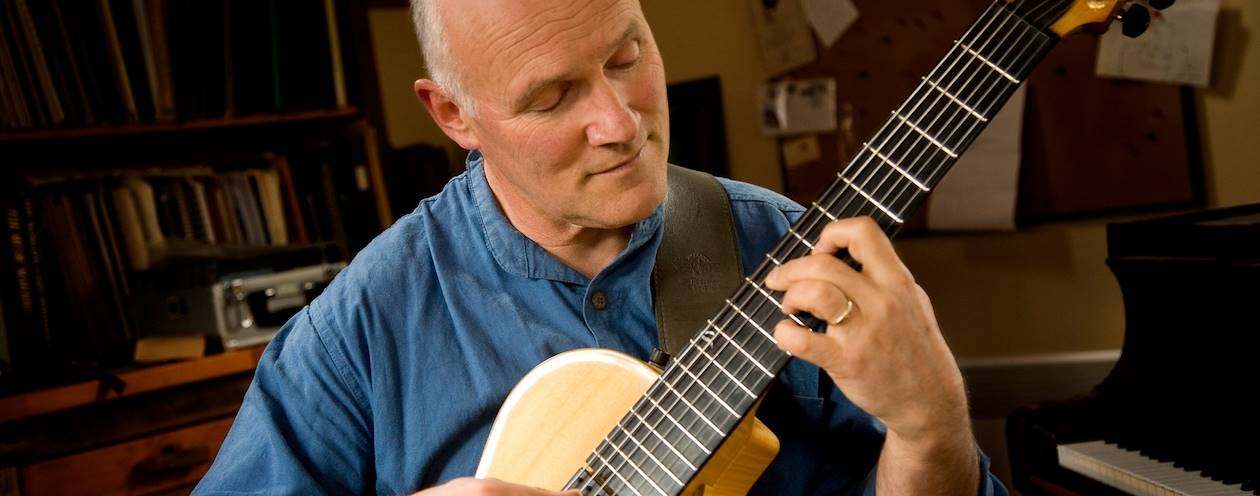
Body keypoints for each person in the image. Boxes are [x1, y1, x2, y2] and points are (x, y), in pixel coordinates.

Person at [194, 0, 1007, 494]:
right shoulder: (361, 326)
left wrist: (930, 426)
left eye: (628, 56)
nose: (621, 123)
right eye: (552, 98)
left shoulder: (799, 264)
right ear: (453, 116)